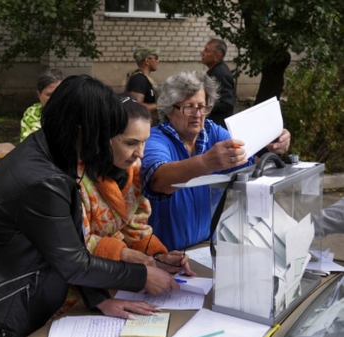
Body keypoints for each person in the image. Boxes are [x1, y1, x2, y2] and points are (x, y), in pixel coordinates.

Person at [0, 75, 179, 337]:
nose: (109, 141)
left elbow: (67, 243)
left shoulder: (53, 151)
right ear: (82, 130)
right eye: (106, 132)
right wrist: (143, 276)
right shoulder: (44, 179)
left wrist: (99, 299)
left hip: (2, 302)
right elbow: (73, 262)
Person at [53, 93, 197, 319]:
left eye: (145, 142)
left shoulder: (132, 170)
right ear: (103, 138)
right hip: (70, 292)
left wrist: (159, 257)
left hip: (114, 285)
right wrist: (131, 258)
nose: (140, 153)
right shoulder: (72, 179)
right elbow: (77, 247)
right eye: (131, 143)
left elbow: (136, 226)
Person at [140, 71, 291, 251]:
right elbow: (158, 180)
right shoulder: (155, 139)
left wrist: (273, 144)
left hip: (205, 247)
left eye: (202, 106)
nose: (198, 114)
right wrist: (206, 163)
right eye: (189, 107)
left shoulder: (214, 132)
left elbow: (251, 162)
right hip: (162, 254)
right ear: (169, 111)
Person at [20, 68, 64, 141]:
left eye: (60, 93)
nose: (55, 98)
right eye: (49, 94)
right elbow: (31, 148)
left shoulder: (74, 114)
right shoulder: (31, 116)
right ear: (39, 95)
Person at [201, 38, 236, 128]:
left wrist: (204, 106)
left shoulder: (220, 73)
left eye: (206, 51)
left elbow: (228, 104)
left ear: (217, 57)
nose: (202, 52)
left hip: (218, 126)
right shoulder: (214, 70)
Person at [126, 45, 159, 117]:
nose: (157, 61)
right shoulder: (139, 79)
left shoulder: (145, 78)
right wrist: (158, 106)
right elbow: (135, 106)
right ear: (147, 61)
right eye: (155, 58)